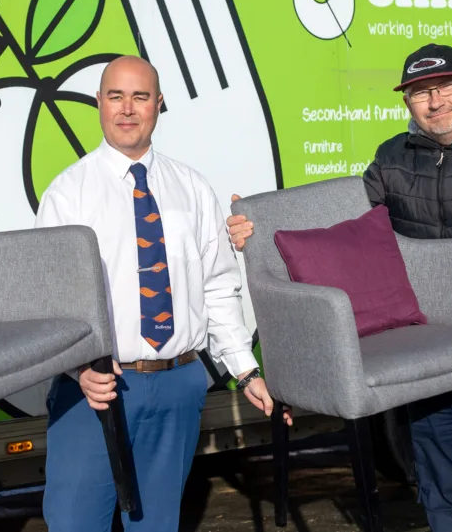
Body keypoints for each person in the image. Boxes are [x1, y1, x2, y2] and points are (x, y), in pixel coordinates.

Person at [227, 43, 452, 532]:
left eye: (444, 88)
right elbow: (338, 225)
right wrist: (257, 227)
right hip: (428, 351)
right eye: (420, 93)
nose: (434, 102)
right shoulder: (393, 157)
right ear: (407, 103)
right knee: (445, 493)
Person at [35, 55, 289, 531]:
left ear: (158, 105)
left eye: (140, 96)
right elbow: (50, 303)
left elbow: (217, 286)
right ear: (98, 103)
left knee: (155, 525)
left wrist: (245, 369)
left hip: (178, 384)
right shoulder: (67, 195)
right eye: (115, 96)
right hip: (96, 390)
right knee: (76, 523)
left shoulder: (191, 187)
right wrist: (75, 368)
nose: (127, 109)